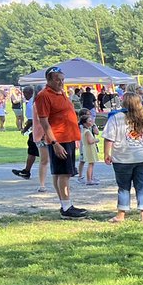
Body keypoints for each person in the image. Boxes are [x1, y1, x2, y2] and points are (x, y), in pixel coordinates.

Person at [37, 65, 88, 218]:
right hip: (59, 139)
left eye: (62, 80)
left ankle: (65, 204)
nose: (61, 83)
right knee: (64, 173)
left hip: (69, 137)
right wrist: (54, 143)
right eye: (57, 80)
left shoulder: (61, 93)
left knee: (60, 173)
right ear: (49, 80)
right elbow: (44, 122)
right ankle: (66, 207)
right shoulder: (44, 95)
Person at [103, 92, 143, 223]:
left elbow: (108, 138)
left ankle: (121, 215)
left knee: (123, 186)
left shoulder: (116, 118)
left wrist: (107, 154)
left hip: (123, 159)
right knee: (142, 186)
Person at [12, 86, 49, 191]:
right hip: (41, 132)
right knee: (35, 153)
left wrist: (24, 129)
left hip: (37, 132)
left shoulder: (33, 103)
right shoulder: (38, 102)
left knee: (37, 155)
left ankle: (27, 171)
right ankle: (27, 170)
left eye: (25, 93)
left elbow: (31, 120)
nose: (24, 95)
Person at [78, 109, 101, 185]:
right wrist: (96, 140)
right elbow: (90, 141)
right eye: (89, 121)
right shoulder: (86, 131)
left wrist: (93, 125)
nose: (91, 122)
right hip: (89, 148)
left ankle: (90, 178)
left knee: (91, 164)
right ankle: (89, 179)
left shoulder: (87, 129)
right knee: (90, 164)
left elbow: (96, 132)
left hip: (88, 148)